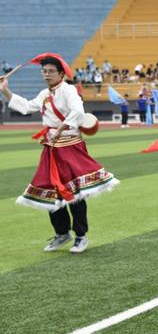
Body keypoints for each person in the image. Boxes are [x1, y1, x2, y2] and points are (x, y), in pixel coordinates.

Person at [0, 54, 119, 253]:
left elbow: (77, 111)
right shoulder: (44, 94)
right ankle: (62, 233)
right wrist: (5, 91)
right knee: (51, 191)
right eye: (44, 71)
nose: (46, 75)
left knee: (76, 192)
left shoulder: (69, 90)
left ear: (61, 73)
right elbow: (28, 107)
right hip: (52, 148)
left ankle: (81, 236)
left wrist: (61, 128)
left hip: (71, 146)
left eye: (51, 71)